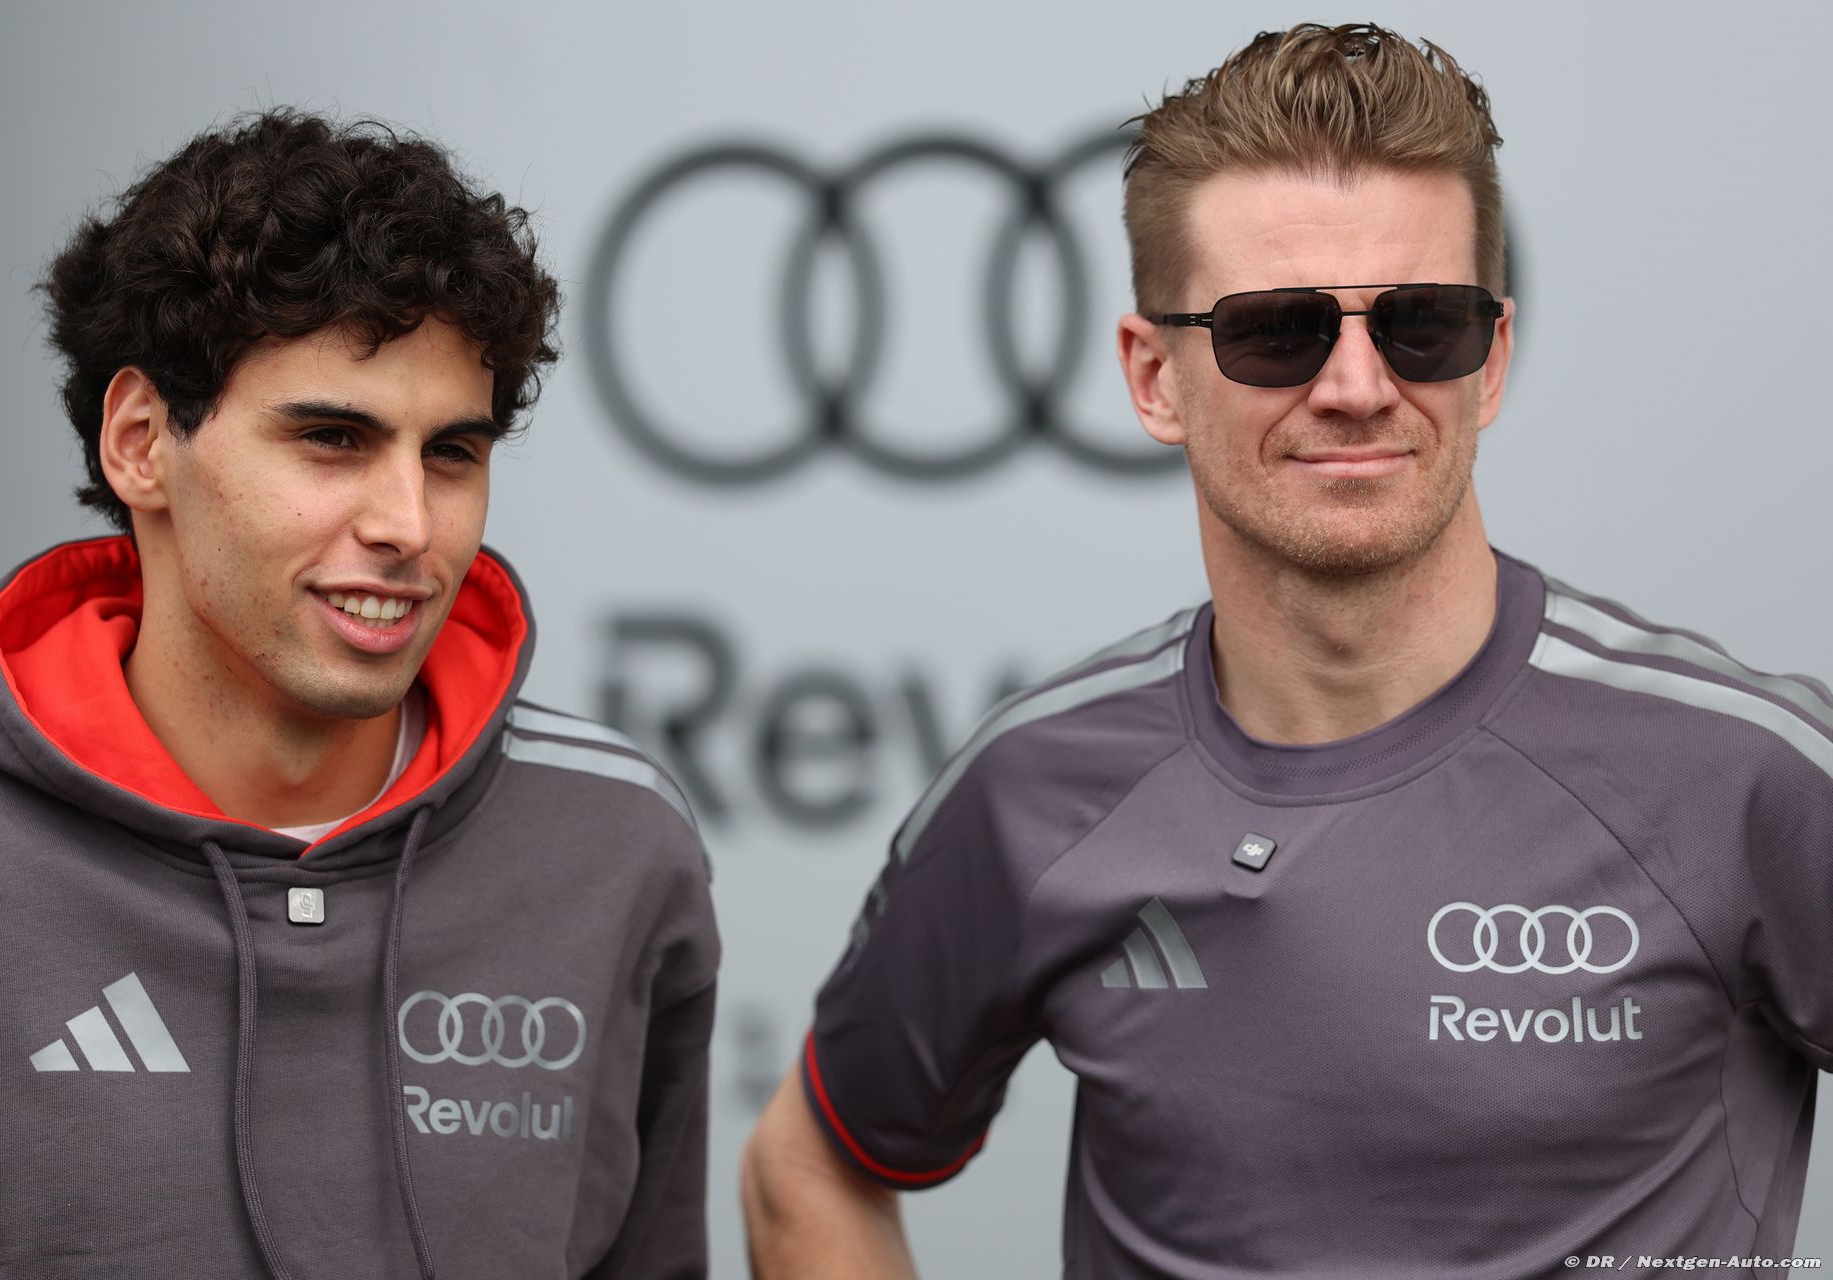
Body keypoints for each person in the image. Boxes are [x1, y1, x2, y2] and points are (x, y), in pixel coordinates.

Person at [741, 22, 1833, 1278]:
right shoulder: (1036, 786)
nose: (1359, 386)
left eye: (1422, 324)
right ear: (1154, 377)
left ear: (1490, 361)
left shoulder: (1741, 774)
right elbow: (805, 1168)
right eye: (1276, 331)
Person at [0, 109, 718, 1279]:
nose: (409, 524)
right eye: (334, 438)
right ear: (140, 442)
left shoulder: (616, 839)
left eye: (452, 452)